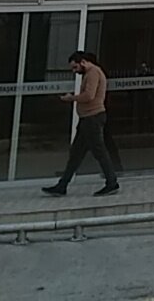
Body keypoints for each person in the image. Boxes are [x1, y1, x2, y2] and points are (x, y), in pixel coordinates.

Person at [41, 51, 120, 197]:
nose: (74, 71)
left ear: (83, 62)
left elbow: (89, 95)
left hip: (92, 118)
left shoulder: (93, 73)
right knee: (76, 154)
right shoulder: (90, 73)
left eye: (75, 67)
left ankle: (111, 182)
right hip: (87, 119)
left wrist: (71, 98)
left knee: (99, 152)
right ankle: (62, 185)